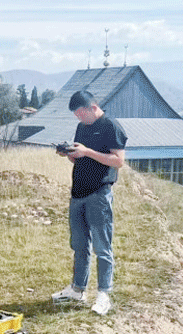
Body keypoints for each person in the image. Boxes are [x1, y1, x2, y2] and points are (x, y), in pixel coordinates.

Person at [52, 90, 128, 315]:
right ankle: (78, 289)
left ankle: (104, 294)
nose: (78, 119)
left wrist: (88, 151)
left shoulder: (111, 127)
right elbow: (82, 156)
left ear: (93, 108)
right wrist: (71, 154)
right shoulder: (81, 128)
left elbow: (118, 161)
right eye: (76, 116)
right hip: (78, 193)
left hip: (99, 193)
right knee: (79, 245)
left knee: (102, 247)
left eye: (80, 114)